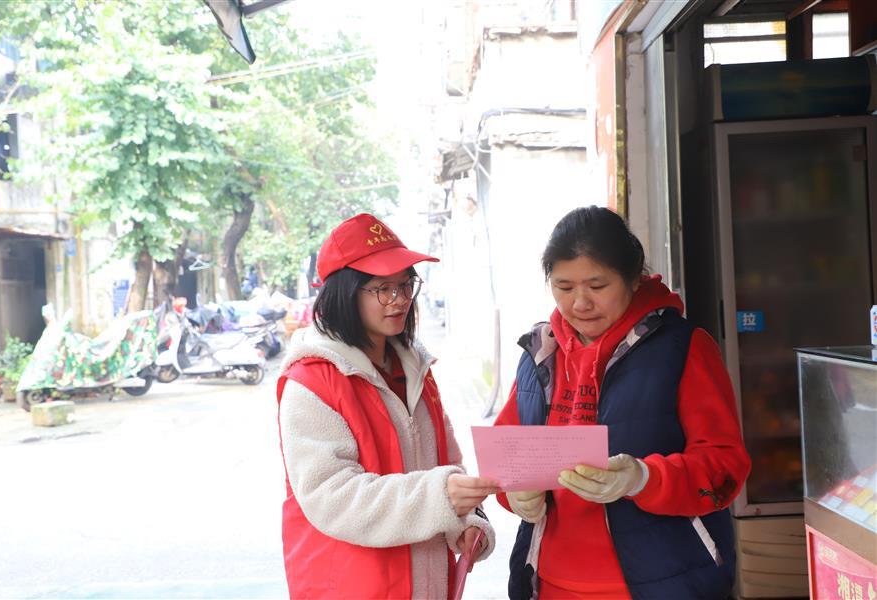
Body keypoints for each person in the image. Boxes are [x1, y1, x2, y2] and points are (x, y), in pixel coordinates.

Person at [495, 206, 751, 599]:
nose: (580, 303)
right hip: (548, 584)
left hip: (661, 585)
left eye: (597, 286)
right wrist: (513, 492)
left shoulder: (682, 348)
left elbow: (725, 467)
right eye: (564, 287)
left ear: (633, 279)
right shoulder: (539, 354)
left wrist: (643, 478)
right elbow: (505, 456)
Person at [277, 213, 499, 599]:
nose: (399, 300)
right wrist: (441, 496)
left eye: (405, 285)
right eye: (383, 289)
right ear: (345, 293)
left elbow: (448, 465)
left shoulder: (414, 368)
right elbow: (332, 496)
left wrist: (467, 521)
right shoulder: (312, 381)